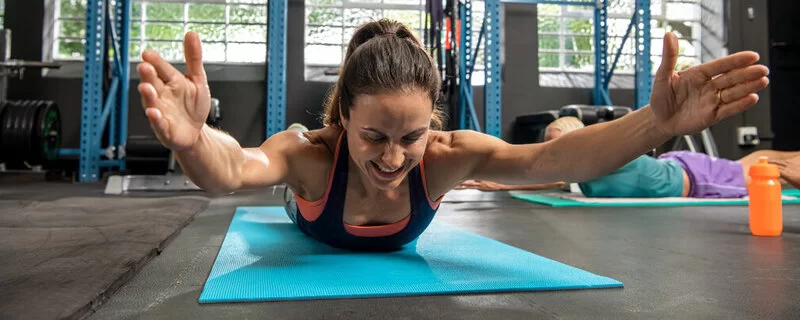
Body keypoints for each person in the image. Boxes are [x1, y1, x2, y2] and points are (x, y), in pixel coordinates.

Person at [136, 19, 769, 251]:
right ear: (344, 120)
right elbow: (238, 168)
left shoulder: (442, 159)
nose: (392, 157)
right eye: (373, 135)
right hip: (306, 182)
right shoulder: (312, 155)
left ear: (432, 125)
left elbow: (552, 155)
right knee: (287, 149)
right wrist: (195, 140)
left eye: (409, 136)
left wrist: (657, 122)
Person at [459, 117, 800, 196]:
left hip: (693, 179)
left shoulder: (594, 160)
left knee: (762, 175)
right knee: (753, 163)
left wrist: (503, 185)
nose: (554, 154)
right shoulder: (584, 173)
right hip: (678, 167)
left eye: (559, 146)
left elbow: (553, 176)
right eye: (551, 147)